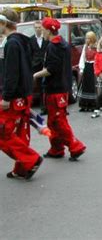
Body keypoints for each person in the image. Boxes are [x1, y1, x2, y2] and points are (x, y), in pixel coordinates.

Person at [34, 17, 86, 161]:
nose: (41, 32)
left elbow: (51, 69)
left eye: (43, 29)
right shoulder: (62, 44)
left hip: (56, 89)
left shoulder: (53, 46)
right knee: (53, 122)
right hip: (59, 87)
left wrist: (34, 75)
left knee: (59, 121)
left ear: (48, 30)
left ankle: (75, 146)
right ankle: (56, 148)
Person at [0, 10, 43, 180]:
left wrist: (6, 97)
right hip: (24, 94)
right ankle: (22, 167)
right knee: (19, 133)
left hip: (14, 96)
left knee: (4, 133)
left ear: (4, 23)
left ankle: (30, 159)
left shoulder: (11, 44)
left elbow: (11, 73)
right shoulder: (23, 42)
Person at [29, 21, 48, 114]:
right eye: (36, 27)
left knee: (43, 87)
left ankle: (43, 107)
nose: (38, 29)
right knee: (33, 86)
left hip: (45, 66)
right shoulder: (31, 40)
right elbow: (29, 54)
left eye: (39, 27)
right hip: (35, 66)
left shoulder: (46, 39)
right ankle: (29, 105)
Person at [78, 31, 97, 112]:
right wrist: (81, 68)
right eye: (86, 38)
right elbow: (82, 57)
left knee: (92, 85)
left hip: (93, 67)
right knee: (85, 85)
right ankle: (84, 104)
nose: (87, 40)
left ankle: (93, 104)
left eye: (89, 38)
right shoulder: (85, 47)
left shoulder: (96, 47)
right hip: (87, 66)